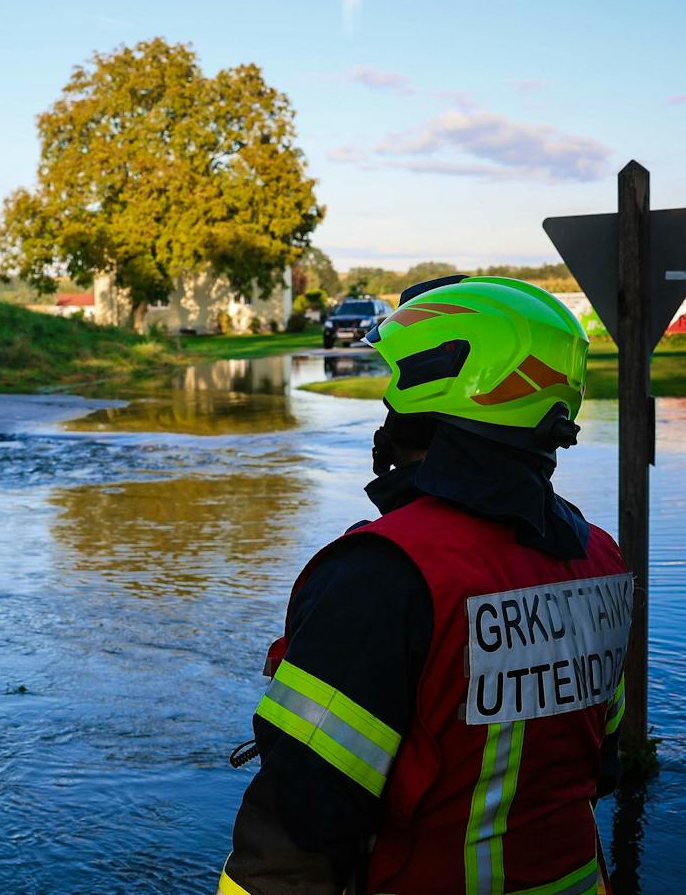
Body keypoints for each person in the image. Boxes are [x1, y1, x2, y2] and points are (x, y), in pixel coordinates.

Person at [217, 275, 631, 895]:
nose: (384, 410)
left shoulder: (381, 575)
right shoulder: (599, 558)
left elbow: (299, 828)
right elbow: (600, 763)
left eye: (393, 387)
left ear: (432, 390)